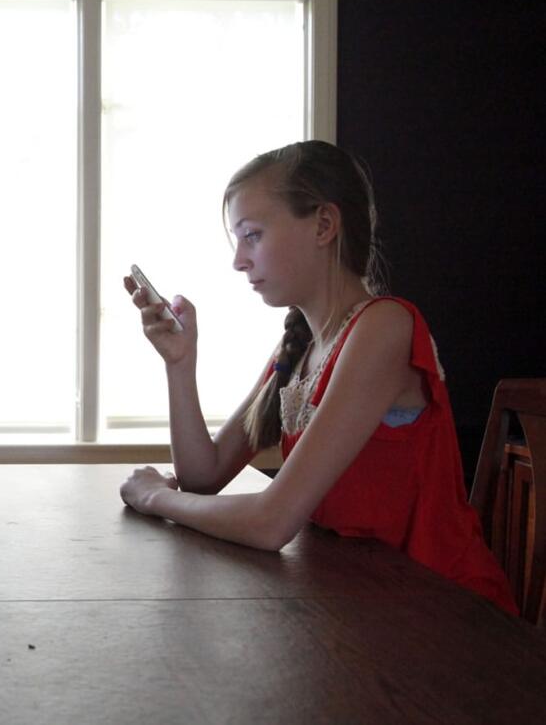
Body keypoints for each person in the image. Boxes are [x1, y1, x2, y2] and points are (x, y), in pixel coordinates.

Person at [118, 140, 516, 614]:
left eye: (253, 235)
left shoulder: (385, 326)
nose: (239, 260)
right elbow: (203, 477)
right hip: (366, 606)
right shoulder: (299, 347)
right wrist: (180, 364)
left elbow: (271, 522)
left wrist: (156, 499)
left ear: (324, 225)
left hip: (449, 614)